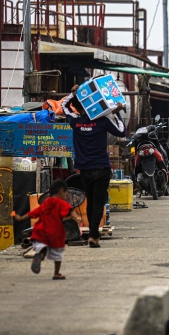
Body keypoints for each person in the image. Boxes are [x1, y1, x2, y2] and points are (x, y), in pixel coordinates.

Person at [62, 85, 126, 248]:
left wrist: (73, 93)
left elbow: (64, 106)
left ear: (77, 107)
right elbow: (121, 132)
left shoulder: (75, 122)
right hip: (102, 169)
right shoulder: (103, 122)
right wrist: (116, 112)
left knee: (90, 202)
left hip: (84, 170)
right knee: (98, 203)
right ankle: (93, 236)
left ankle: (93, 234)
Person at [14, 180, 81, 280]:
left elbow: (33, 213)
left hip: (40, 231)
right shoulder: (61, 203)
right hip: (54, 232)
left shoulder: (45, 203)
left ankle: (39, 257)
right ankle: (56, 273)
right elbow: (70, 210)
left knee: (43, 248)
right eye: (66, 193)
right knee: (57, 255)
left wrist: (21, 218)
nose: (66, 195)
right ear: (61, 192)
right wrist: (77, 217)